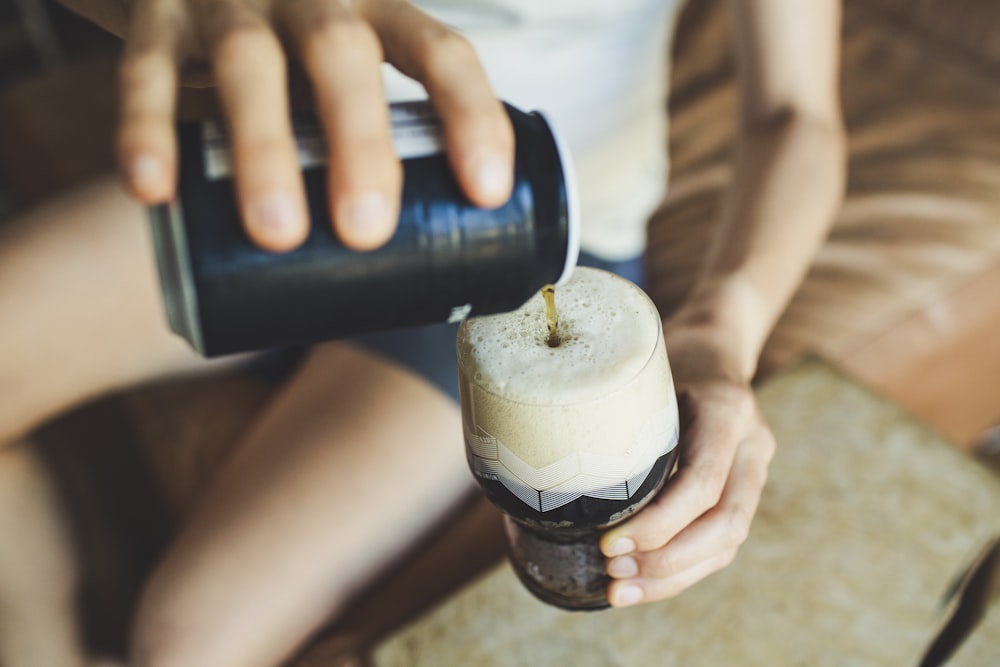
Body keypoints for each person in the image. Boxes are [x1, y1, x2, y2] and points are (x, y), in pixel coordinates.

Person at [0, 0, 846, 665]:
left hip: (538, 250)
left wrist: (721, 331)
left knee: (182, 646)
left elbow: (796, 112)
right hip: (285, 188)